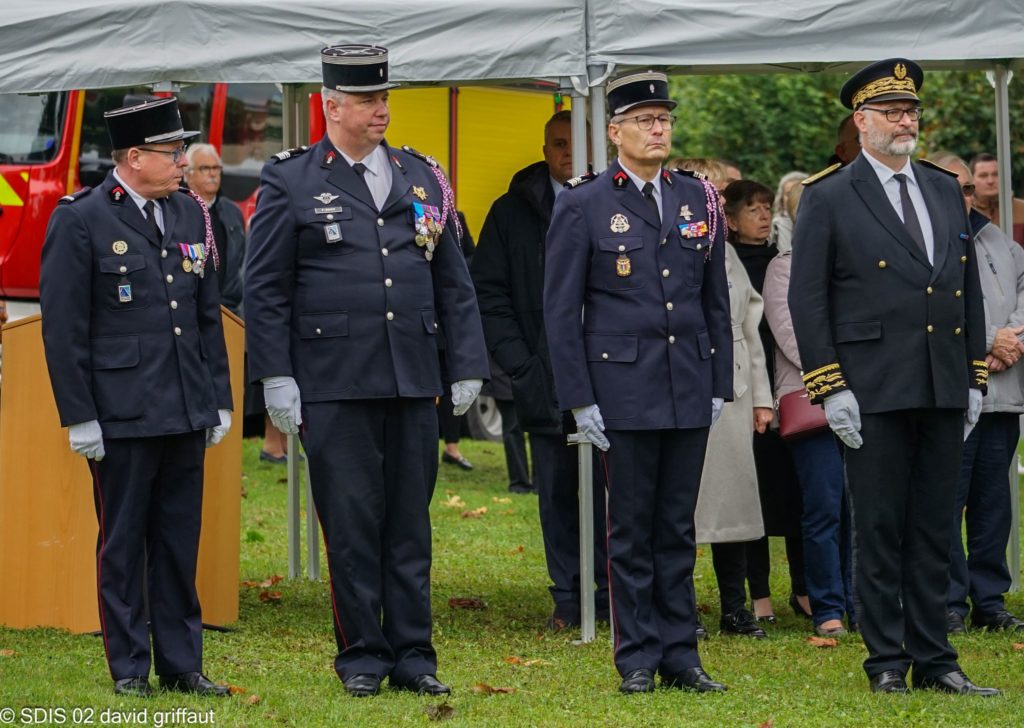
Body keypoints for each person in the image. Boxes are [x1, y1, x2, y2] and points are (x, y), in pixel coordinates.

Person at [244, 44, 488, 698]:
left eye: (385, 98)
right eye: (368, 100)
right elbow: (265, 287)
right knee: (352, 524)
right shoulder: (291, 179)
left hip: (411, 374)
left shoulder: (418, 175)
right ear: (332, 105)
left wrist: (465, 362)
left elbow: (451, 279)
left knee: (409, 522)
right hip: (333, 378)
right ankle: (362, 655)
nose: (381, 110)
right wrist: (277, 376)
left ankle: (414, 654)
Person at [789, 58, 997, 696]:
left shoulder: (939, 186)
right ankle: (885, 661)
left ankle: (936, 657)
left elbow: (964, 287)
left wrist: (973, 376)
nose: (906, 121)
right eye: (892, 112)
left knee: (935, 525)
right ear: (862, 121)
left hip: (937, 378)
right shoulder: (829, 194)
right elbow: (809, 298)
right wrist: (829, 384)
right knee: (879, 526)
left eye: (911, 110)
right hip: (870, 383)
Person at [544, 71, 732, 694]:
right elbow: (561, 309)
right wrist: (578, 398)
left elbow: (714, 300)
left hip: (685, 381)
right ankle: (638, 656)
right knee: (629, 529)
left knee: (677, 527)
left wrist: (717, 380)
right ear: (616, 131)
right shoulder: (583, 202)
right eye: (645, 120)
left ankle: (682, 653)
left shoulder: (695, 198)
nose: (659, 129)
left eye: (665, 119)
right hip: (621, 388)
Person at [39, 97, 233, 698]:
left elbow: (206, 317)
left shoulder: (187, 215)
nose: (182, 161)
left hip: (181, 405)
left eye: (181, 151)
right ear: (132, 157)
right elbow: (64, 326)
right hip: (120, 410)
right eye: (171, 152)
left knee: (178, 539)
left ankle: (182, 663)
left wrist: (218, 397)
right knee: (123, 542)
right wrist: (80, 415)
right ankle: (129, 666)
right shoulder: (83, 218)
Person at [472, 109, 608, 630]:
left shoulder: (617, 202)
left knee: (617, 493)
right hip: (543, 376)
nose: (567, 153)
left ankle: (616, 592)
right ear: (544, 148)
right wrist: (521, 364)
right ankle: (569, 597)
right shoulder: (511, 213)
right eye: (557, 144)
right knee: (556, 493)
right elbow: (489, 293)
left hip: (613, 375)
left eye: (576, 142)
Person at [930, 153, 1024, 635]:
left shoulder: (1002, 244)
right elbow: (934, 309)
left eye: (968, 189)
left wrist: (1013, 341)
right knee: (948, 500)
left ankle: (991, 599)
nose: (963, 197)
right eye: (955, 188)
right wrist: (990, 341)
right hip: (953, 395)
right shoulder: (926, 242)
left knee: (994, 502)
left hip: (1004, 392)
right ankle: (949, 601)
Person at [763, 182, 855, 637]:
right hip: (813, 397)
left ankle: (861, 601)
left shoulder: (858, 265)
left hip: (868, 400)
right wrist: (847, 375)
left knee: (865, 506)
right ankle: (828, 608)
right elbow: (791, 336)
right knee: (823, 506)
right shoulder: (784, 268)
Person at [723, 179, 809, 625]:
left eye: (765, 208)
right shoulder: (726, 262)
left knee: (794, 495)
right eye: (751, 209)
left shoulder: (783, 262)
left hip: (785, 387)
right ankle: (757, 593)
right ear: (731, 219)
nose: (761, 216)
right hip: (749, 392)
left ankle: (803, 587)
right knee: (752, 497)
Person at [694, 239, 772, 640]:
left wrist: (762, 396)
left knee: (734, 503)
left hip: (733, 387)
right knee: (682, 504)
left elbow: (749, 325)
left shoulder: (723, 248)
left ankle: (735, 608)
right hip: (683, 378)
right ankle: (681, 605)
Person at [970, 152, 1024, 246]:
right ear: (971, 179)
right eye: (983, 175)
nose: (990, 181)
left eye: (995, 174)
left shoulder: (1021, 209)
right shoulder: (965, 211)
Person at [768, 171, 808, 253]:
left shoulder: (821, 223)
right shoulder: (774, 227)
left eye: (799, 193)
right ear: (781, 198)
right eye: (788, 193)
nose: (793, 197)